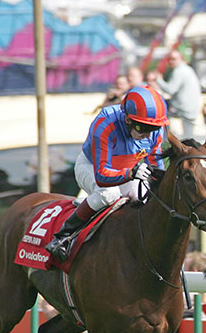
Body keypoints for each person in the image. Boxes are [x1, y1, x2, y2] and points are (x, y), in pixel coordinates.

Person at [45, 86, 168, 262]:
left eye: (152, 128)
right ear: (127, 119)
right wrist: (132, 172)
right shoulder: (106, 123)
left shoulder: (156, 130)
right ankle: (63, 237)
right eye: (143, 127)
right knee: (109, 194)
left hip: (127, 172)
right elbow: (102, 176)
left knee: (144, 195)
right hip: (91, 167)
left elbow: (156, 165)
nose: (147, 134)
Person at [157, 50, 202, 139]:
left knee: (160, 111)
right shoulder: (187, 69)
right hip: (191, 108)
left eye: (174, 59)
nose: (171, 61)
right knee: (188, 137)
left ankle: (164, 139)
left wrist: (159, 80)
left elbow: (170, 90)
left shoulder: (179, 71)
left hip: (183, 109)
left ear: (181, 59)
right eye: (170, 59)